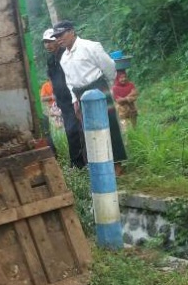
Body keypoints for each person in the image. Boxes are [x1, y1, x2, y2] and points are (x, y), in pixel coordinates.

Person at [51, 20, 127, 173]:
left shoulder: (90, 46)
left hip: (97, 87)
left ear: (71, 31)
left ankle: (117, 165)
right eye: (56, 36)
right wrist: (74, 101)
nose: (59, 39)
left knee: (110, 125)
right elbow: (70, 82)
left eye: (61, 34)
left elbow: (109, 66)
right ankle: (100, 165)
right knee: (90, 130)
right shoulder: (64, 58)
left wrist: (106, 85)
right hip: (80, 94)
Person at [43, 28, 87, 169]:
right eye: (45, 42)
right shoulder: (51, 60)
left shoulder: (65, 55)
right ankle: (77, 163)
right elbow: (52, 79)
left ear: (57, 40)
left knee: (76, 130)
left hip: (72, 98)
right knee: (71, 131)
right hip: (62, 101)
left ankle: (80, 163)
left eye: (50, 41)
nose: (48, 45)